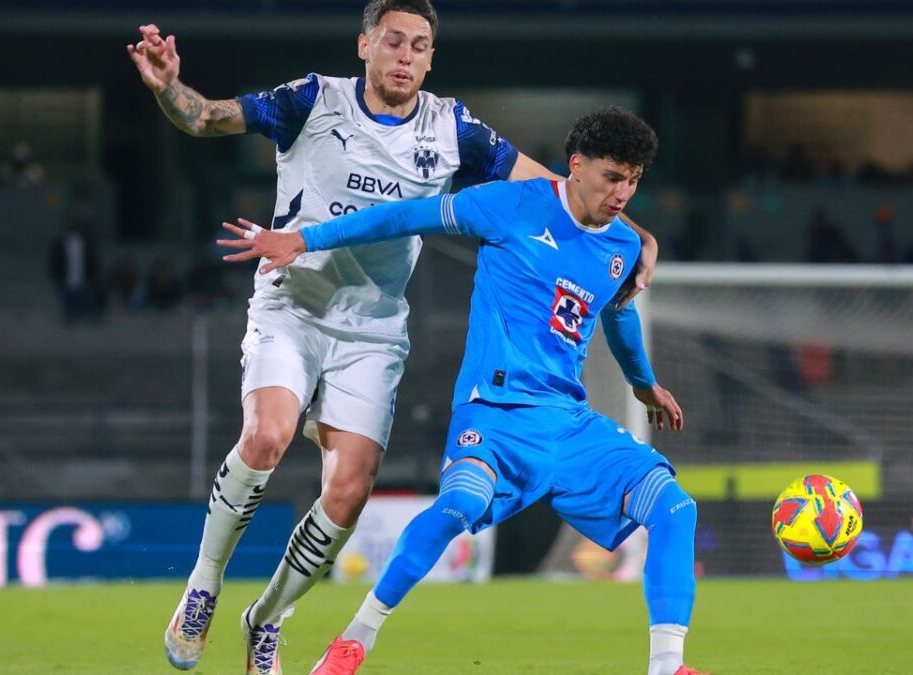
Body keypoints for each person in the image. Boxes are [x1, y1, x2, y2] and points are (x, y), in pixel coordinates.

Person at [126, 3, 660, 672]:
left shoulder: (453, 127)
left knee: (348, 491)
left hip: (374, 327)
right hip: (295, 301)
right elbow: (206, 116)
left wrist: (638, 236)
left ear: (431, 59)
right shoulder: (313, 99)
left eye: (420, 46)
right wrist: (168, 87)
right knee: (267, 434)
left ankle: (266, 617)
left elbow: (561, 190)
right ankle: (202, 585)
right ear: (365, 46)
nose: (406, 56)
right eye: (394, 42)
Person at [220, 106, 705, 675]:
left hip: (568, 423)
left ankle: (667, 666)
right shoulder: (508, 205)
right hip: (494, 414)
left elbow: (618, 312)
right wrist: (304, 238)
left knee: (675, 507)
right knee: (459, 507)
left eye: (634, 180)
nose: (623, 192)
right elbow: (404, 217)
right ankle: (354, 640)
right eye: (613, 177)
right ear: (577, 166)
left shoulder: (622, 246)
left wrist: (643, 383)